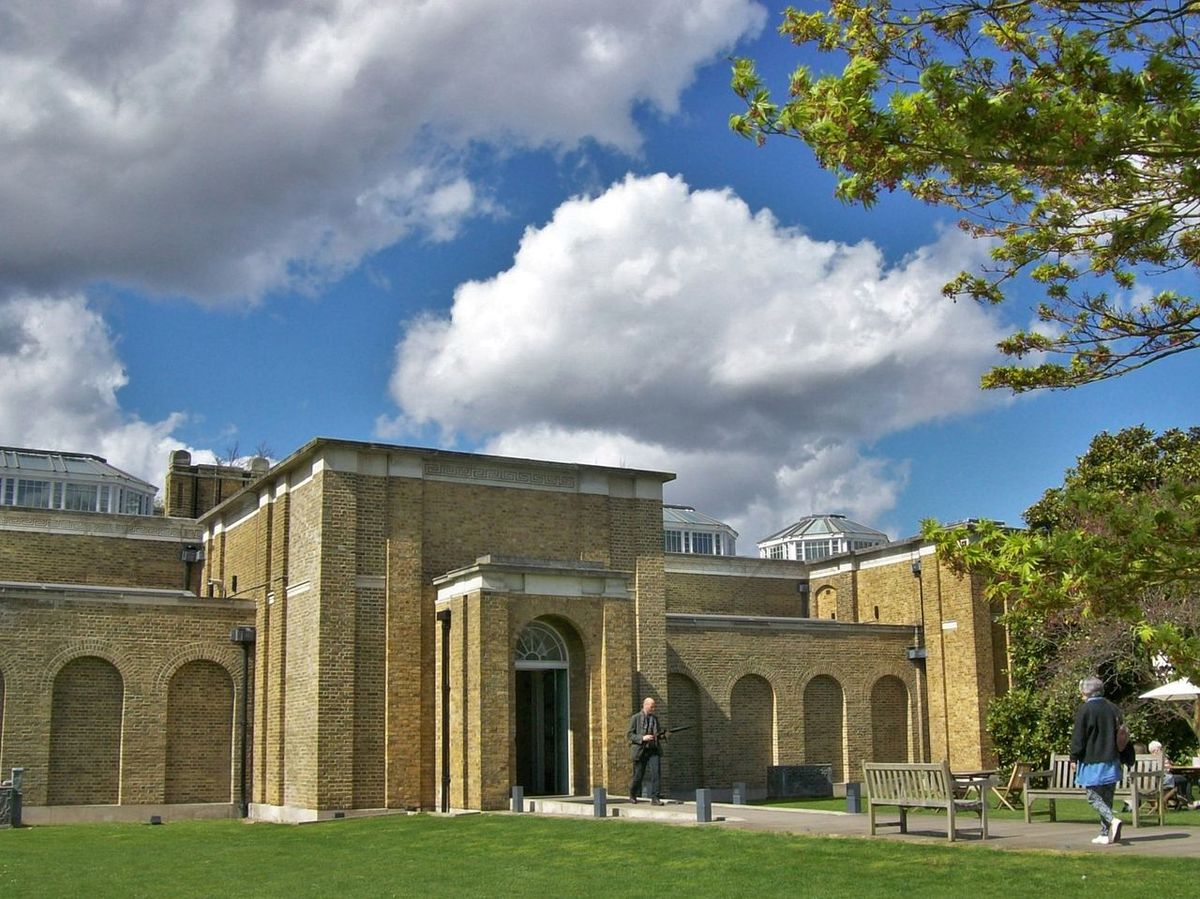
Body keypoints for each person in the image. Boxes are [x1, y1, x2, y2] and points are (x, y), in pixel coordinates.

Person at [1070, 676, 1127, 845]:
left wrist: (1074, 756)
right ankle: (1104, 834)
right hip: (1113, 760)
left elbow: (1079, 737)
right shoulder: (1113, 708)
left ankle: (1112, 820)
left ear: (1087, 692)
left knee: (1093, 797)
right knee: (1107, 798)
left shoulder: (1086, 710)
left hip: (1093, 761)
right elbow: (1123, 734)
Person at [628, 696, 666, 805]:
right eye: (652, 707)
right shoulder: (635, 718)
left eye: (654, 707)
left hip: (653, 749)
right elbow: (630, 734)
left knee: (656, 773)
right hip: (641, 750)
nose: (653, 709)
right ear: (645, 705)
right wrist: (642, 738)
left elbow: (657, 733)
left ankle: (655, 797)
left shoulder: (655, 719)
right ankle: (633, 793)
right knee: (638, 775)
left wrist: (663, 735)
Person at [1149, 740, 1192, 806]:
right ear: (1156, 750)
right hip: (1164, 779)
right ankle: (1189, 801)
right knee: (1186, 779)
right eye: (1160, 749)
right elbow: (1168, 768)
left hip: (1154, 782)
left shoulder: (1148, 758)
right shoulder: (1159, 757)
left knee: (1179, 779)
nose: (1161, 750)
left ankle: (1180, 797)